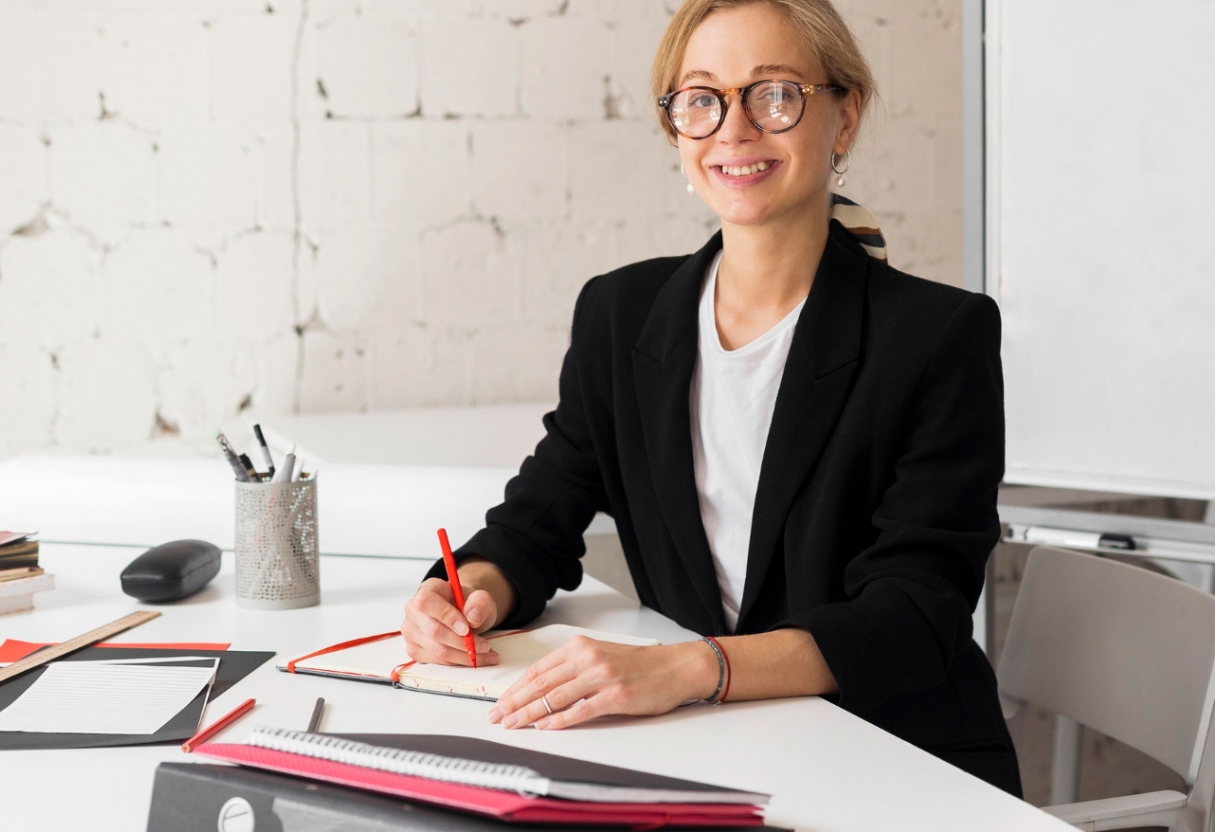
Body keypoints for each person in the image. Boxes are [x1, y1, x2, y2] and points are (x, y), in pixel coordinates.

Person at [400, 0, 1020, 797]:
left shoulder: (939, 337)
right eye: (702, 99)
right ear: (677, 129)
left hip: (893, 757)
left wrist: (688, 670)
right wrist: (467, 591)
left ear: (845, 115)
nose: (734, 129)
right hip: (708, 751)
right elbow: (538, 520)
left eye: (774, 93)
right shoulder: (620, 316)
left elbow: (911, 615)